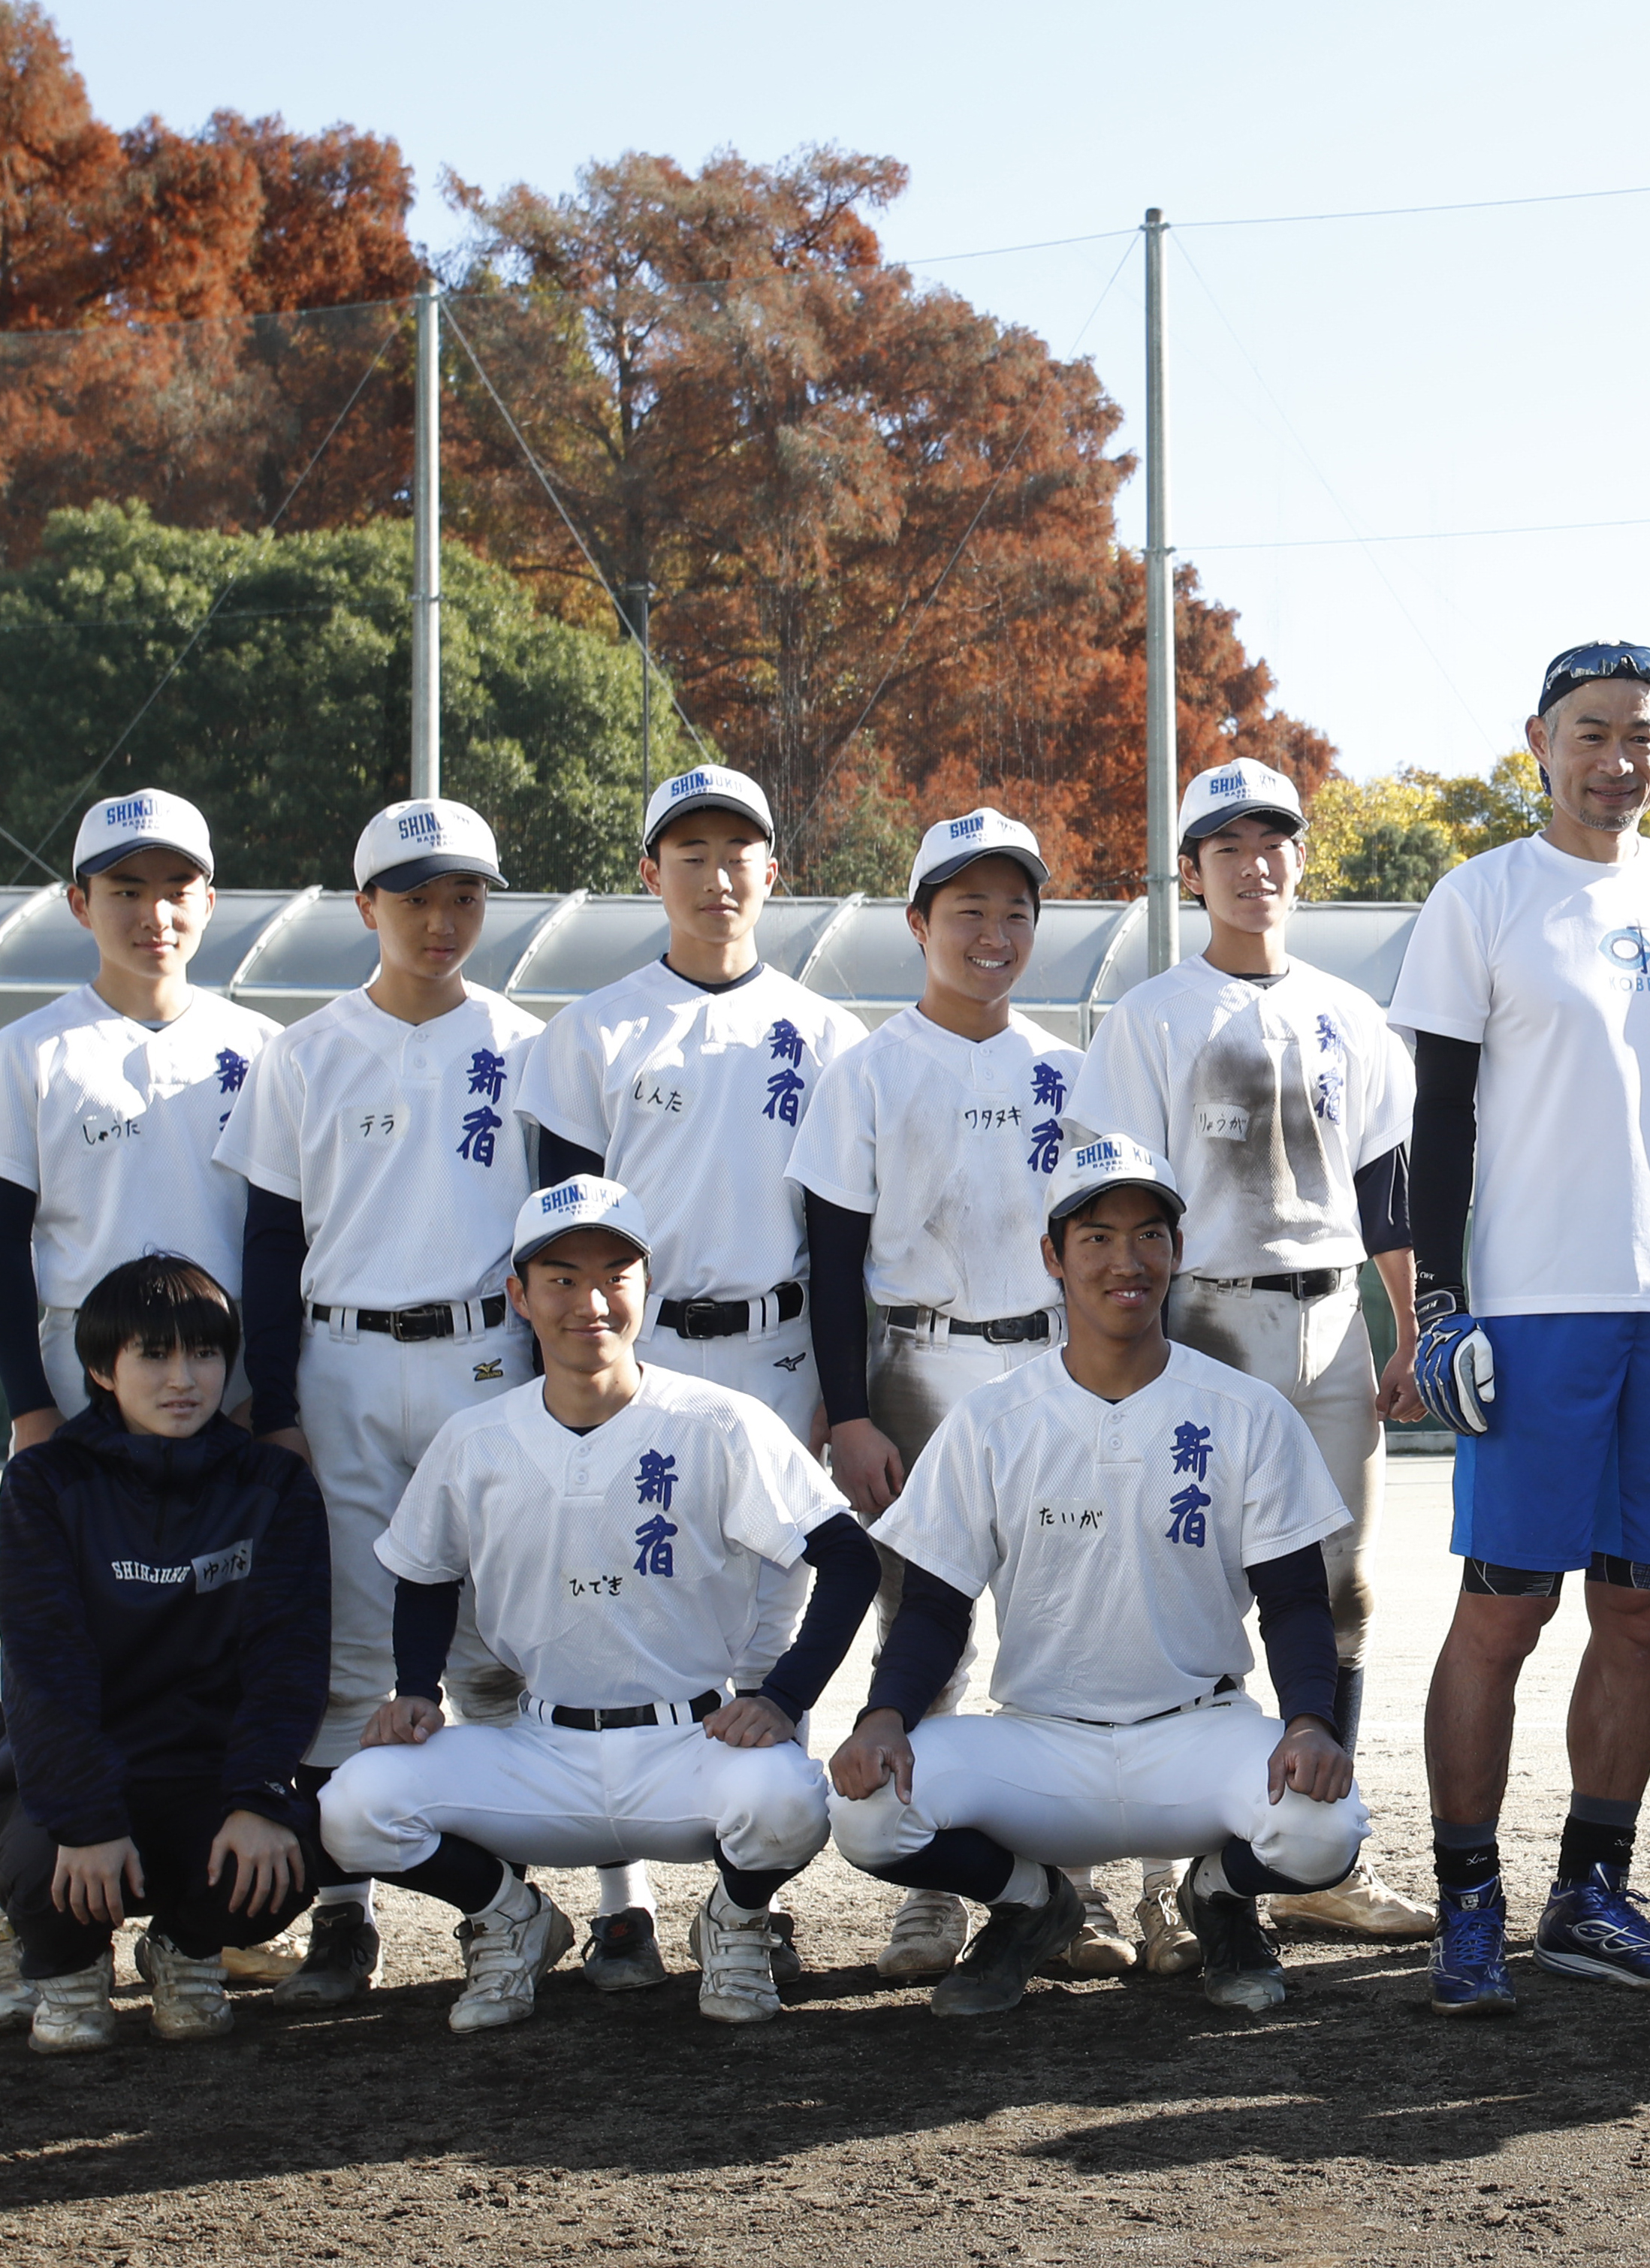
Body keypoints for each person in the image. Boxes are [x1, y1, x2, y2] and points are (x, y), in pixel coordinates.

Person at [1385, 638, 1650, 2016]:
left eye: (1644, 738)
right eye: (1593, 732)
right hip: (1533, 1316)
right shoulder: (1480, 898)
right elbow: (1436, 1121)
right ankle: (1468, 1903)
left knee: (1643, 1611)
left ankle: (1590, 1896)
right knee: (1502, 1613)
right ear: (1540, 743)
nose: (1619, 759)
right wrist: (1441, 1307)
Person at [315, 1176, 881, 2031]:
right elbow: (424, 1571)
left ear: (646, 1287)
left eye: (616, 1273)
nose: (591, 1299)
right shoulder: (477, 1437)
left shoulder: (717, 1421)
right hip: (540, 1749)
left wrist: (783, 1696)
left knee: (788, 1800)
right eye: (561, 1277)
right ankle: (511, 1916)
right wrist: (413, 1689)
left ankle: (733, 1916)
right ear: (519, 1296)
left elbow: (846, 1556)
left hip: (685, 1744)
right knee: (353, 1807)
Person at [827, 1132, 1368, 2016]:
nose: (1128, 1258)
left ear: (1178, 1251)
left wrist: (1308, 1721)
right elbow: (933, 1606)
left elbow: (1295, 1599)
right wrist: (884, 1715)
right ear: (1052, 1255)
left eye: (1150, 1233)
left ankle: (1221, 1897)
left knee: (1324, 1830)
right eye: (1097, 1236)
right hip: (1042, 1743)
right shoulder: (992, 1419)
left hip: (1196, 1732)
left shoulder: (1245, 1410)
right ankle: (1028, 1901)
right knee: (868, 1812)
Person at [0, 787, 278, 2028]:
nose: (153, 911)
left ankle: (202, 1916)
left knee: (211, 1647)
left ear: (210, 901)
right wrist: (32, 1415)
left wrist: (270, 1403)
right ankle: (19, 1917)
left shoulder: (260, 1050)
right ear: (80, 903)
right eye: (124, 888)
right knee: (33, 1658)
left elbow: (282, 1245)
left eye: (175, 886)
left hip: (218, 1419)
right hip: (81, 1422)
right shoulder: (29, 1053)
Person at [1077, 755, 1434, 1950]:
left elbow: (1386, 1188)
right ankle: (1169, 1877)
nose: (1255, 861)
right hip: (1207, 1315)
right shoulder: (1151, 1014)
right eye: (1227, 844)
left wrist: (1408, 1326)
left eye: (1274, 838)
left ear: (1299, 855)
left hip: (1333, 1319)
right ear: (1191, 871)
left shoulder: (1349, 1011)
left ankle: (1318, 1858)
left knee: (1338, 1594)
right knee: (1196, 1593)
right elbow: (1117, 1203)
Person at [525, 764, 863, 1977]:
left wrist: (842, 1386)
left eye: (739, 852)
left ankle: (746, 1897)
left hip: (773, 1349)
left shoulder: (828, 1035)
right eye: (689, 851)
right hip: (634, 1352)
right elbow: (556, 1236)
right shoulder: (597, 1028)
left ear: (774, 871)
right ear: (650, 871)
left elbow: (839, 1238)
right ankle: (620, 1904)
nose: (716, 875)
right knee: (614, 1604)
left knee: (770, 1619)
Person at [213, 798, 539, 2007]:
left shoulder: (526, 1043)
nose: (442, 918)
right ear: (367, 907)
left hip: (483, 1359)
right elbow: (268, 1236)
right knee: (353, 1642)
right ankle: (344, 1914)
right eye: (415, 896)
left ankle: (522, 1895)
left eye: (463, 895)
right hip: (345, 1359)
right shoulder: (305, 1051)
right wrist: (278, 1401)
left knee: (498, 1642)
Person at [786, 807, 1085, 1982]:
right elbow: (831, 1255)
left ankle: (1083, 1880)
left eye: (1016, 911)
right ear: (920, 923)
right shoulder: (866, 1070)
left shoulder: (1068, 1069)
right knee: (924, 1629)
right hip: (915, 1365)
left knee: (1062, 1624)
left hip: (1049, 1362)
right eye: (968, 911)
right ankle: (937, 1884)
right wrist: (849, 1410)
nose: (994, 933)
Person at [0, 1256, 332, 2053]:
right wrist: (87, 1819)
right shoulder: (45, 1482)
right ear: (103, 1368)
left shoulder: (272, 1483)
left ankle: (186, 1947)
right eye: (154, 1355)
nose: (184, 1378)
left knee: (291, 1845)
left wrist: (257, 1795)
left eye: (204, 1354)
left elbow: (288, 1658)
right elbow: (46, 1666)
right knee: (43, 1860)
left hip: (201, 1771)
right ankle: (66, 1967)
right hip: (82, 1775)